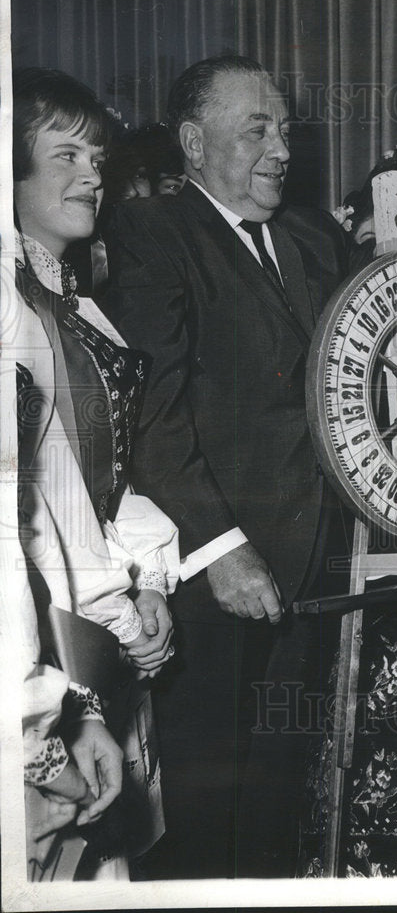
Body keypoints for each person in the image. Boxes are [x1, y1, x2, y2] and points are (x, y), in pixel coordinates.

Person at [103, 54, 350, 878]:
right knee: (209, 808)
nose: (281, 147)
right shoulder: (152, 233)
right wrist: (220, 547)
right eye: (257, 129)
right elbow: (152, 416)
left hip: (318, 567)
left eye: (285, 128)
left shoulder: (313, 236)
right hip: (218, 577)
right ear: (193, 142)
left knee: (281, 798)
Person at [11, 66, 179, 877]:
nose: (92, 173)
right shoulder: (17, 309)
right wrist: (115, 607)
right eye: (66, 155)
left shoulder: (68, 298)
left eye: (97, 156)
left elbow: (109, 471)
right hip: (45, 631)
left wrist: (148, 576)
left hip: (91, 613)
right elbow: (37, 503)